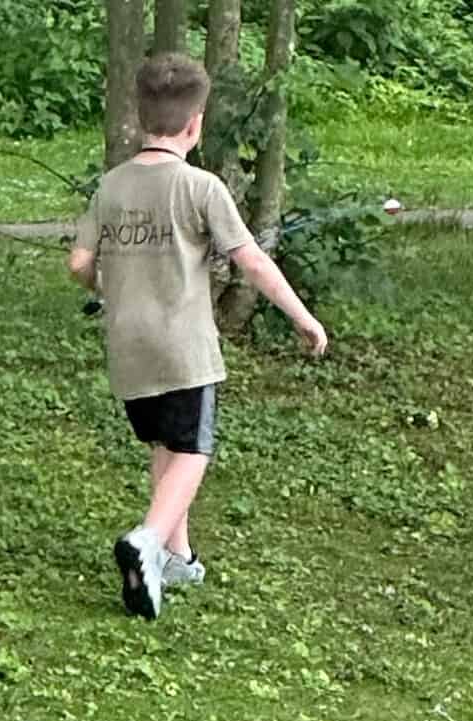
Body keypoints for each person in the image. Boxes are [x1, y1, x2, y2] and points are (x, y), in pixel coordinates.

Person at [69, 51, 330, 620]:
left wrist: (105, 284)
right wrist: (302, 317)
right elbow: (251, 260)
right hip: (183, 347)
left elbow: (79, 263)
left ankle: (177, 557)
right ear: (196, 124)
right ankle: (147, 541)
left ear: (139, 118)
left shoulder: (111, 186)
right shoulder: (202, 187)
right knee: (193, 450)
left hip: (128, 345)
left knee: (165, 445)